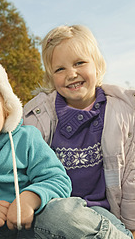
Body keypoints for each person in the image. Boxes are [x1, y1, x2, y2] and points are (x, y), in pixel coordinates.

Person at [0, 53, 130, 239]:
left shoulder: (26, 139)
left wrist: (29, 199)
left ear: (6, 109)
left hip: (36, 228)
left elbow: (57, 179)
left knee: (61, 214)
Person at [23, 25, 135, 239]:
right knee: (55, 215)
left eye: (79, 63)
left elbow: (132, 173)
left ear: (97, 64)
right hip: (51, 210)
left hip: (99, 212)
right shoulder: (36, 117)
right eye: (60, 69)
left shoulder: (121, 113)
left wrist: (132, 226)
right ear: (50, 76)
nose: (71, 74)